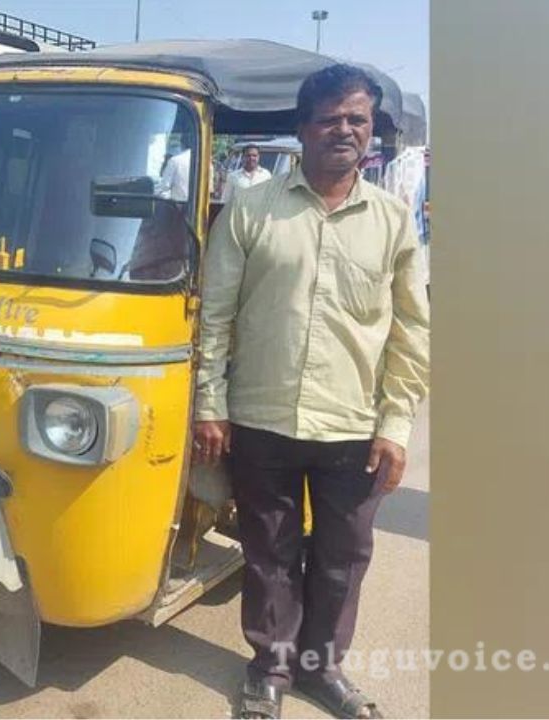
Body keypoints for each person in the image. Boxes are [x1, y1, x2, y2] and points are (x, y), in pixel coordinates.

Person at [193, 64, 430, 719]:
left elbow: (412, 327)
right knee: (270, 555)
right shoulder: (251, 209)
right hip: (262, 418)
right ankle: (270, 668)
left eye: (357, 119)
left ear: (371, 132)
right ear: (302, 129)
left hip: (353, 426)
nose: (345, 131)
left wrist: (396, 424)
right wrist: (210, 403)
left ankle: (321, 670)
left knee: (341, 560)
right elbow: (216, 315)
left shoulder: (390, 222)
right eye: (330, 118)